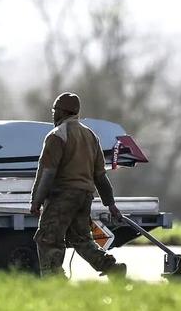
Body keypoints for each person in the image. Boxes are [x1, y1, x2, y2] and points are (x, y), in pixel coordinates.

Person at [30, 92, 128, 279]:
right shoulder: (91, 136)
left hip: (62, 197)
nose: (53, 114)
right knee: (81, 240)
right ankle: (112, 268)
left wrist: (36, 201)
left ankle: (53, 280)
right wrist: (111, 204)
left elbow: (47, 173)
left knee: (48, 239)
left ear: (61, 111)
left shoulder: (57, 136)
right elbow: (100, 176)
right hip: (84, 197)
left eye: (54, 110)